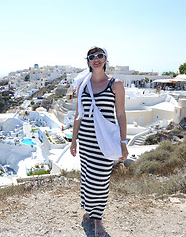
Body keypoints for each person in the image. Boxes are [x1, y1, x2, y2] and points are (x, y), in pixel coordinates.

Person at [70, 46, 128, 237]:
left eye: (100, 56)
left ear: (105, 59)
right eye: (92, 56)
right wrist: (73, 141)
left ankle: (97, 219)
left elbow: (120, 114)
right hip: (86, 140)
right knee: (87, 178)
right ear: (88, 61)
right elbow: (78, 115)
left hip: (105, 141)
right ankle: (89, 213)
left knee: (101, 181)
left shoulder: (115, 84)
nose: (96, 59)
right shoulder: (82, 85)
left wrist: (123, 142)